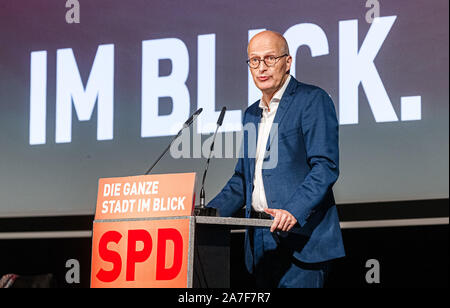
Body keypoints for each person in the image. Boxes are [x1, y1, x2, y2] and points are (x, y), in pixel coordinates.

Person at [207, 30, 345, 288]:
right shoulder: (250, 114)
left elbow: (325, 167)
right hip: (259, 240)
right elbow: (243, 179)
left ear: (288, 61)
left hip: (301, 239)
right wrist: (207, 215)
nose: (261, 67)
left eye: (270, 58)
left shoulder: (312, 100)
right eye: (254, 60)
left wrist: (294, 209)